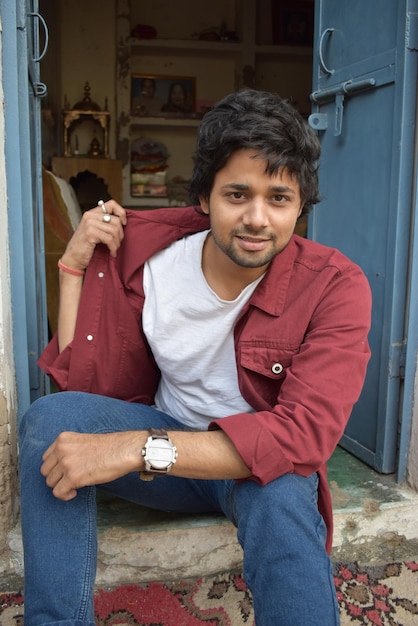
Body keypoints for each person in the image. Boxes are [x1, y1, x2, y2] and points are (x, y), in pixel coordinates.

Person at [19, 89, 372, 626]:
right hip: (168, 461)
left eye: (279, 198)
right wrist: (72, 266)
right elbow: (81, 385)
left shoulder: (335, 286)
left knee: (282, 493)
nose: (258, 218)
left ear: (301, 205)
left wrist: (138, 448)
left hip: (251, 470)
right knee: (49, 421)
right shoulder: (149, 259)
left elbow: (301, 436)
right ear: (204, 198)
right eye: (238, 194)